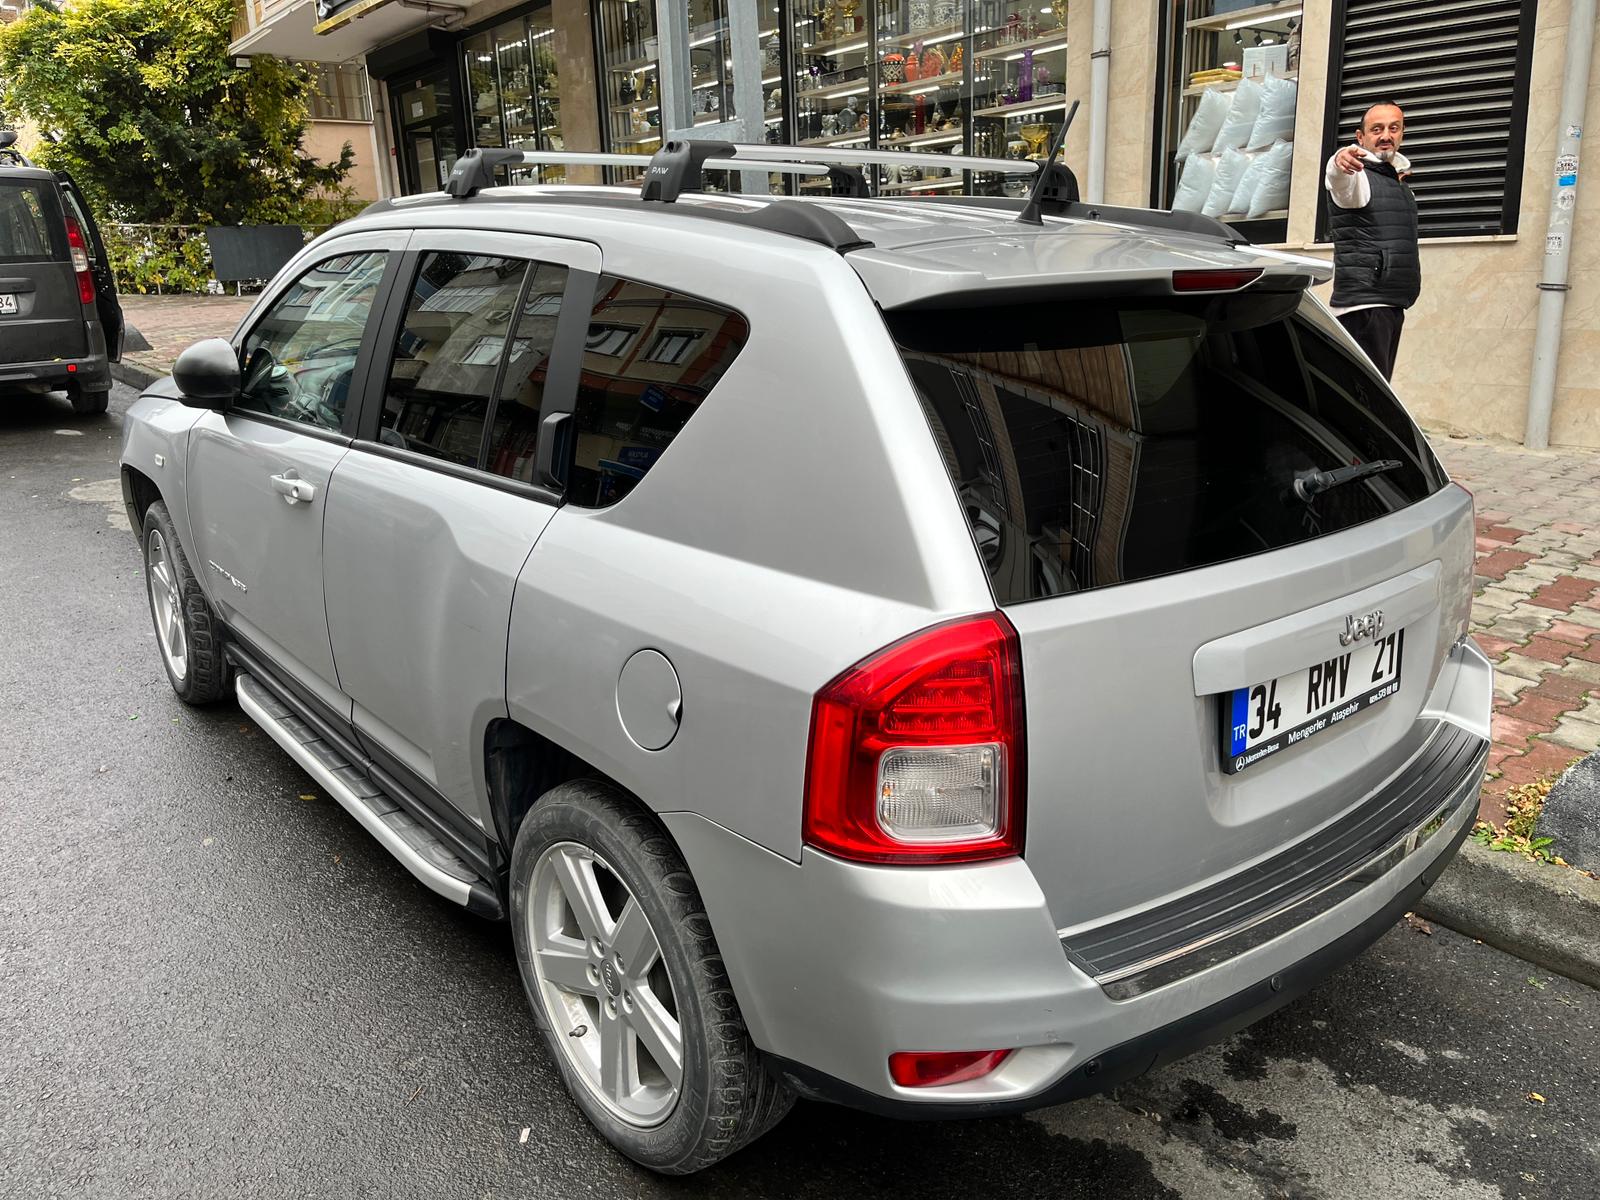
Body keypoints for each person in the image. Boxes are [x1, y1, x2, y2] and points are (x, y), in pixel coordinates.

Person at [1324, 102, 1418, 381]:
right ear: (1360, 137)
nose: (1385, 135)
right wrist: (1339, 159)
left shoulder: (1398, 183)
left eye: (1393, 128)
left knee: (1377, 392)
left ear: (1402, 133)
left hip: (1388, 304)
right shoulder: (1359, 177)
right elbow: (1339, 179)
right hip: (1364, 309)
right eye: (1376, 129)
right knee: (1367, 396)